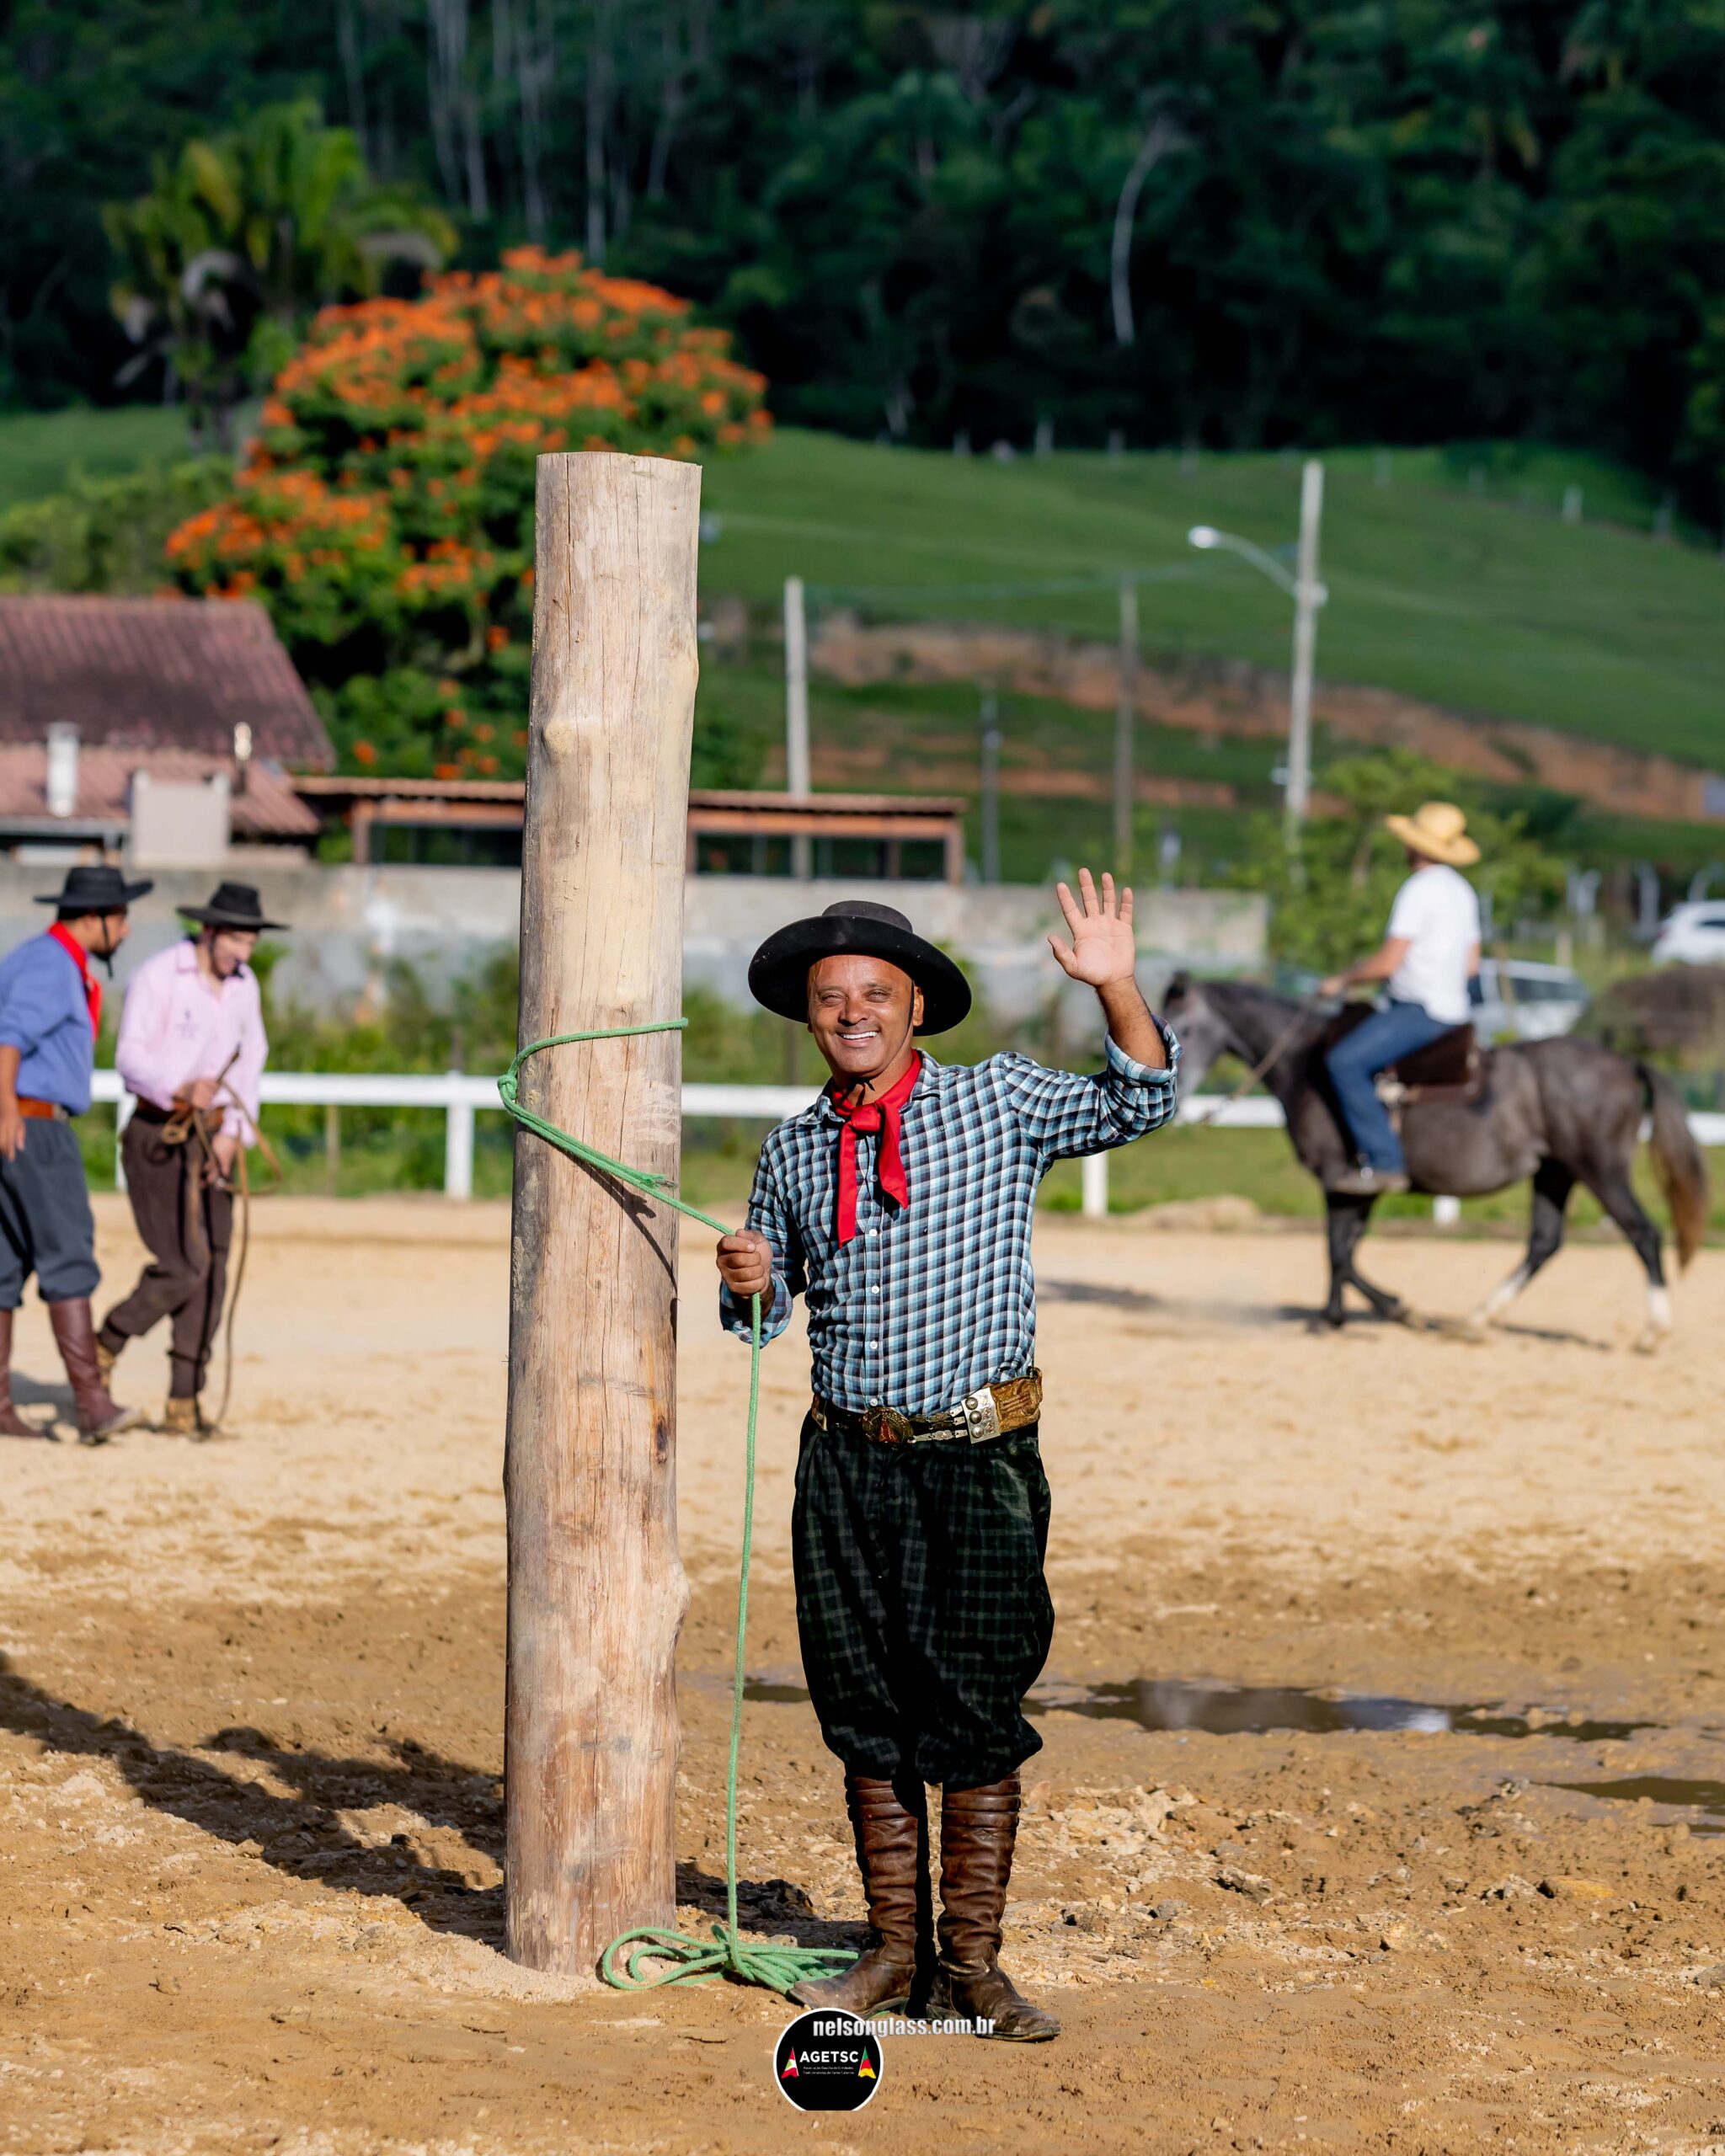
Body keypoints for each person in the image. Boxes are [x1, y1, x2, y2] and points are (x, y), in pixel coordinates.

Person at [713, 871, 1178, 2042]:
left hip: (978, 1463)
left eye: (875, 993)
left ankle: (970, 1966)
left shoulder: (999, 1100)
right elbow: (765, 1319)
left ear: (916, 1005)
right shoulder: (792, 1150)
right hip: (844, 1466)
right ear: (809, 1015)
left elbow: (1142, 1100)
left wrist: (1114, 985)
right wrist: (750, 1281)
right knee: (863, 1706)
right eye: (831, 997)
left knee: (973, 1708)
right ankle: (891, 1953)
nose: (852, 1012)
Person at [98, 882, 281, 1438]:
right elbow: (129, 1056)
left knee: (214, 1268)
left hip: (215, 1138)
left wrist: (232, 1135)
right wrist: (177, 1087)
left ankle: (184, 1401)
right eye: (236, 941)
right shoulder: (158, 977)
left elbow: (252, 1057)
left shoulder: (244, 986)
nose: (243, 954)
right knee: (184, 1265)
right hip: (161, 1133)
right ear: (209, 930)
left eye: (250, 943)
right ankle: (107, 1341)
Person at [0, 862, 152, 1444]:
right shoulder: (52, 964)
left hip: (20, 1120)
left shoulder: (36, 958)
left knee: (5, 1262)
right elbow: (9, 1036)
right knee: (68, 1253)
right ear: (94, 918)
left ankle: (1, 1407)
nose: (127, 929)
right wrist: (9, 1110)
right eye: (122, 917)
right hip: (34, 1125)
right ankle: (91, 1404)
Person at [1319, 800, 1482, 1197]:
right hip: (1455, 1010)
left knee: (1344, 1062)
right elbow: (1471, 965)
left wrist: (1342, 980)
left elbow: (1388, 962)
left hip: (1419, 1010)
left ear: (1415, 845)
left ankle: (1384, 1162)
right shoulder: (1463, 891)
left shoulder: (1418, 889)